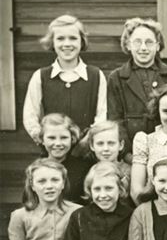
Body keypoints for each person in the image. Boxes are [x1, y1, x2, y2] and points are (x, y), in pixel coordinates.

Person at [23, 15, 107, 145]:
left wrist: (86, 142)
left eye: (73, 38)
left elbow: (102, 115)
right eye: (60, 38)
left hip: (86, 154)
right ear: (52, 42)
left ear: (82, 41)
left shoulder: (96, 75)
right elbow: (30, 116)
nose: (67, 44)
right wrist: (45, 140)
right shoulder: (40, 76)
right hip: (53, 153)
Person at [107, 18, 167, 152]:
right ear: (128, 45)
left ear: (157, 45)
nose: (143, 48)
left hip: (166, 151)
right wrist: (127, 155)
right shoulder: (116, 78)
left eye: (149, 42)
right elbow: (115, 121)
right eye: (137, 42)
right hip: (130, 152)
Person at [37, 113, 88, 204]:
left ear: (72, 139)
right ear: (42, 140)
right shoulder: (36, 169)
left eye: (64, 138)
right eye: (51, 138)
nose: (58, 143)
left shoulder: (83, 167)